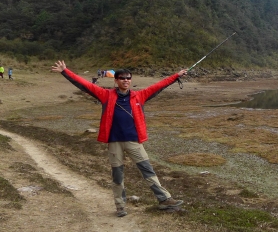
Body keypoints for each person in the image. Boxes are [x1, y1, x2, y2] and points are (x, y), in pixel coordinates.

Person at [51, 60, 187, 217]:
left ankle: (164, 199)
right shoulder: (105, 95)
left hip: (133, 141)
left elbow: (159, 86)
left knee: (147, 170)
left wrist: (176, 76)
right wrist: (65, 71)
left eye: (128, 78)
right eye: (122, 78)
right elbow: (85, 85)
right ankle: (120, 206)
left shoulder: (139, 96)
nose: (126, 80)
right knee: (117, 175)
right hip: (114, 142)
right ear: (116, 80)